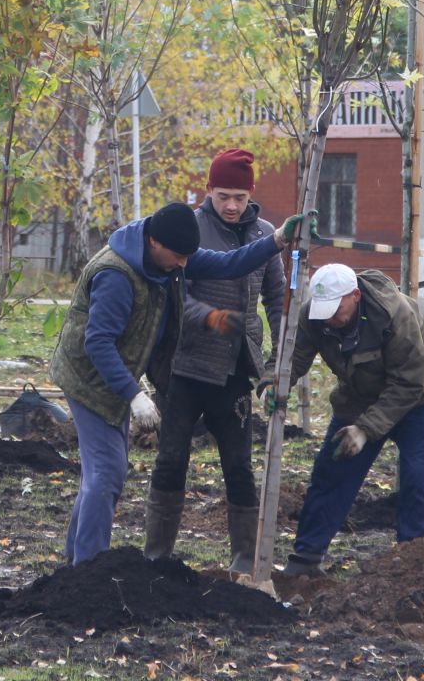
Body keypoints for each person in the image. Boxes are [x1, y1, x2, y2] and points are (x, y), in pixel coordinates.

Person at [48, 200, 297, 565]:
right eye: (179, 256)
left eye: (187, 256)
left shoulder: (171, 255)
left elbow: (229, 265)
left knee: (101, 473)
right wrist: (134, 395)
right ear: (153, 242)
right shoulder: (116, 274)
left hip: (117, 376)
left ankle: (76, 561)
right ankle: (87, 568)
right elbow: (98, 342)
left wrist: (276, 240)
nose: (184, 264)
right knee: (106, 474)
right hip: (89, 379)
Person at [142, 148, 285, 573]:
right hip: (185, 367)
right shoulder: (191, 229)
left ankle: (245, 560)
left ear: (250, 195)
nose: (231, 205)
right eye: (223, 195)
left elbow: (277, 298)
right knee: (171, 458)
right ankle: (157, 558)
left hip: (237, 369)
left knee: (239, 464)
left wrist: (279, 359)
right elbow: (172, 293)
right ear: (210, 190)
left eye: (239, 197)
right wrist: (207, 317)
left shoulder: (265, 233)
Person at [277, 262, 424, 572]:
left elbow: (409, 383)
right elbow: (293, 359)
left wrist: (365, 430)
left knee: (416, 477)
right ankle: (306, 558)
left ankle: (412, 563)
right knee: (331, 469)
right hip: (357, 395)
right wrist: (271, 383)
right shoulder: (315, 317)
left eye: (336, 308)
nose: (329, 317)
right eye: (323, 308)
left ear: (355, 296)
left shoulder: (395, 315)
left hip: (416, 396)